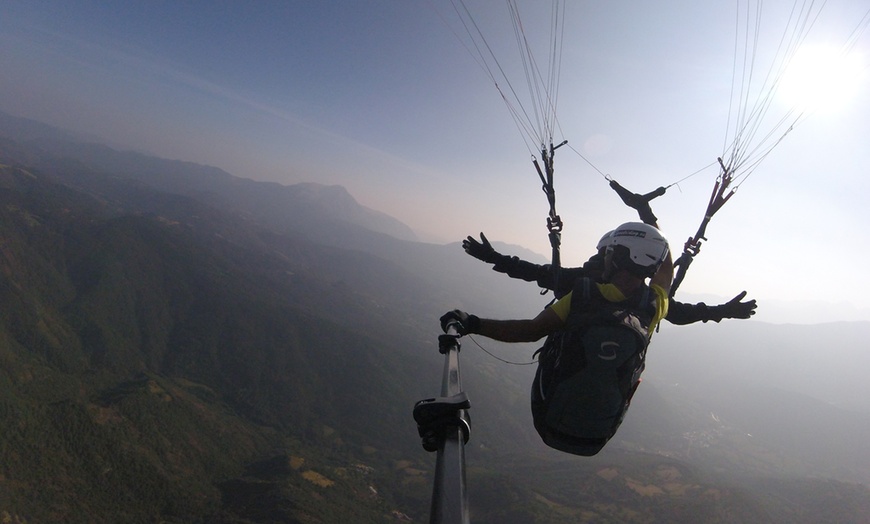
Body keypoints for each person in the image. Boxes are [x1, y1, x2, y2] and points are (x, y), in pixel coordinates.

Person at [441, 222, 673, 455]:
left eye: (610, 252)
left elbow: (530, 331)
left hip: (549, 421)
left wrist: (472, 323)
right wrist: (653, 231)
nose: (604, 258)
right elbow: (665, 274)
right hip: (598, 437)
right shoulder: (654, 306)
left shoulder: (583, 296)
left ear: (622, 256)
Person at [461, 179, 756, 324]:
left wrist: (493, 258)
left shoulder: (582, 285)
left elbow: (534, 274)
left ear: (611, 256)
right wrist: (725, 311)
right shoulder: (648, 302)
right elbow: (680, 308)